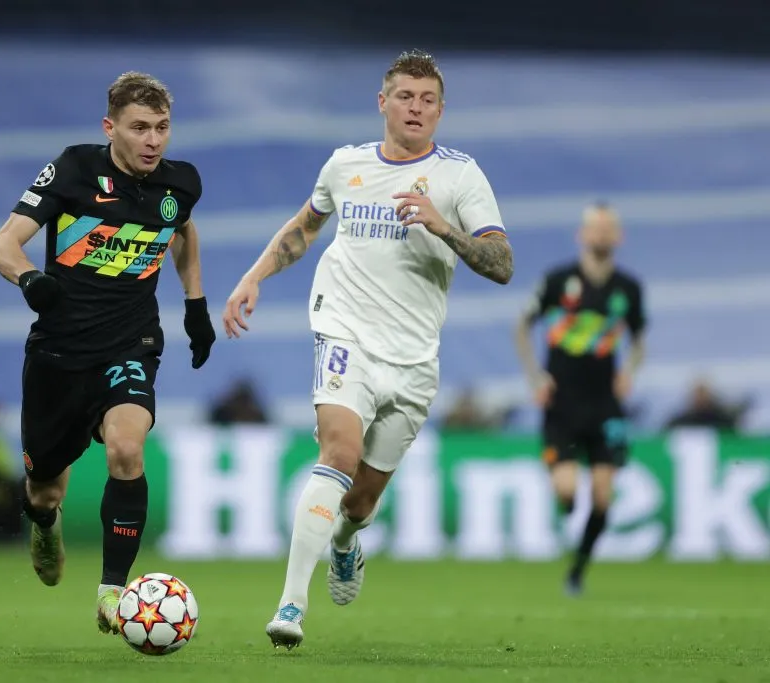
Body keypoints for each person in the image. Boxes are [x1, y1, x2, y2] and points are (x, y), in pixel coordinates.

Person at [223, 49, 514, 649]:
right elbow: (305, 227)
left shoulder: (461, 177)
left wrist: (443, 226)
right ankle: (291, 605)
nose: (416, 108)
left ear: (440, 110)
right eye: (405, 96)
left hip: (412, 360)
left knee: (360, 500)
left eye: (428, 99)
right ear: (382, 102)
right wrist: (254, 276)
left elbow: (502, 264)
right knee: (339, 449)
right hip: (345, 332)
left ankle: (347, 542)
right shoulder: (345, 165)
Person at [0, 71, 216, 635]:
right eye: (140, 128)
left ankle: (113, 592)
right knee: (46, 487)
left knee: (126, 450)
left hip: (129, 342)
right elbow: (1, 245)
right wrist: (30, 281)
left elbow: (183, 232)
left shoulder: (179, 183)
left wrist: (196, 304)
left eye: (162, 128)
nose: (153, 141)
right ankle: (44, 523)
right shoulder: (72, 169)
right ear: (110, 127)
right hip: (59, 354)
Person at [514, 202, 646, 596]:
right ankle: (568, 509)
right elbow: (522, 327)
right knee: (568, 491)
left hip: (605, 402)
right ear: (582, 235)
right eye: (595, 228)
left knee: (603, 495)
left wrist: (629, 373)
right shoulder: (558, 282)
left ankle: (577, 570)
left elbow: (639, 343)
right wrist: (535, 375)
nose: (602, 235)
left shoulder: (628, 288)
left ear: (618, 236)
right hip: (563, 403)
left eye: (608, 228)